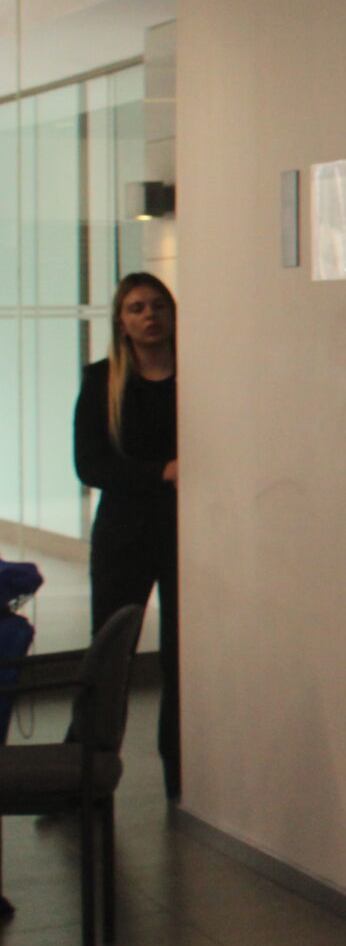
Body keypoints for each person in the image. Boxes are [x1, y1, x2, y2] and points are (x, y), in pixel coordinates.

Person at [74, 271, 181, 798]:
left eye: (158, 305)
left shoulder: (198, 376)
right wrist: (160, 472)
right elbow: (90, 465)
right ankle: (81, 777)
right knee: (110, 654)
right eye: (137, 308)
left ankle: (183, 776)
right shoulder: (102, 380)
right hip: (123, 532)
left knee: (182, 657)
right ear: (121, 321)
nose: (149, 316)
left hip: (187, 532)